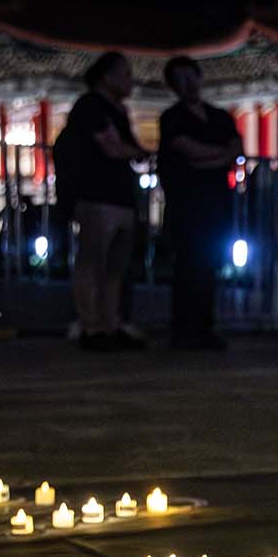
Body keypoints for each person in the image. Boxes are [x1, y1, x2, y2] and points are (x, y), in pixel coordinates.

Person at [53, 51, 144, 350]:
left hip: (118, 196)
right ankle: (92, 325)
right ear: (107, 76)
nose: (131, 80)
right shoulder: (90, 106)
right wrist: (135, 151)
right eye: (126, 73)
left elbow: (124, 147)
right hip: (96, 194)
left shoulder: (117, 110)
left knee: (115, 265)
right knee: (94, 261)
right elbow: (114, 148)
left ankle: (110, 323)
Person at [156, 55, 240, 350]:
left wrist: (208, 159)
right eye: (181, 79)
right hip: (187, 203)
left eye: (192, 76)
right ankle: (184, 328)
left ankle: (205, 326)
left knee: (210, 264)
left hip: (216, 202)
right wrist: (216, 158)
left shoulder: (219, 116)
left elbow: (232, 150)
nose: (189, 84)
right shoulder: (172, 117)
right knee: (187, 265)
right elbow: (188, 150)